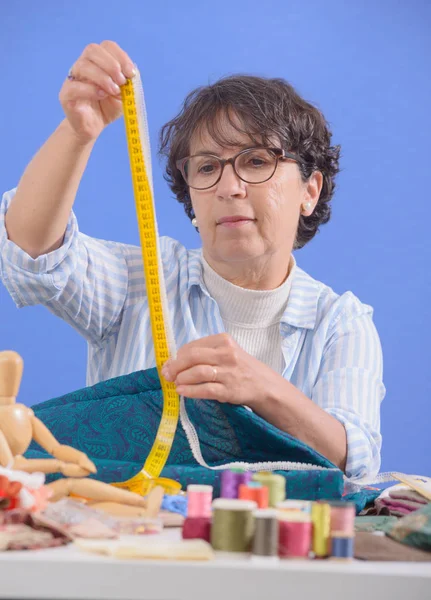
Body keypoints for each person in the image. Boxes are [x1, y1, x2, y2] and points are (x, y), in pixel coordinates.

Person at [0, 41, 385, 483]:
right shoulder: (140, 281)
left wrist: (262, 388)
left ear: (309, 191)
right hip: (132, 541)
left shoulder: (341, 322)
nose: (229, 187)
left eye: (256, 160)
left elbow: (353, 462)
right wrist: (78, 132)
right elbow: (30, 255)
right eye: (206, 168)